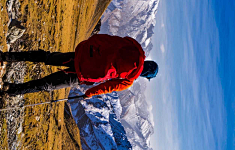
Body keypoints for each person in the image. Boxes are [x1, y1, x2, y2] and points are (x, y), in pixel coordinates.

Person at [0, 34, 158, 98]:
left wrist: (89, 44)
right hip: (82, 74)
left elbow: (111, 40)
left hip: (83, 54)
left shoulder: (134, 46)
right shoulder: (128, 80)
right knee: (46, 84)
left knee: (47, 57)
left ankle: (7, 57)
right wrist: (88, 93)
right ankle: (11, 90)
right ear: (145, 76)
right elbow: (105, 87)